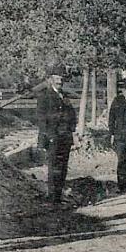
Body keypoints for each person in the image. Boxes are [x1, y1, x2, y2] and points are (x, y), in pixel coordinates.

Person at [36, 65, 78, 203]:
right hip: (52, 137)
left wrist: (71, 129)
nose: (60, 81)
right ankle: (53, 197)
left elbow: (72, 115)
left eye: (61, 79)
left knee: (63, 166)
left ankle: (59, 196)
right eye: (57, 79)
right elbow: (42, 120)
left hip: (65, 137)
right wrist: (48, 136)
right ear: (51, 80)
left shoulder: (65, 97)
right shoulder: (44, 96)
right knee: (54, 166)